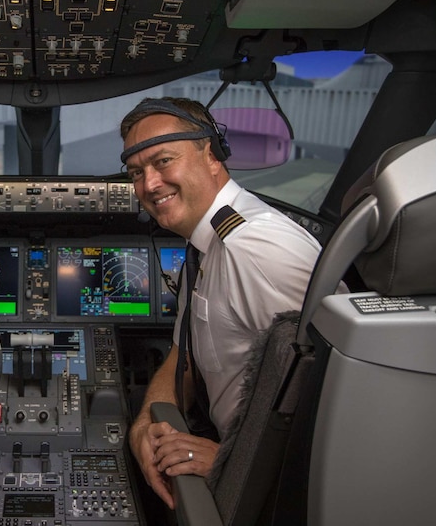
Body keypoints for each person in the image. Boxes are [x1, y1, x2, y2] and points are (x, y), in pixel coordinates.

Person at [120, 97, 322, 510]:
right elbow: (186, 356)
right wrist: (145, 425)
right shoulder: (208, 244)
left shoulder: (258, 248)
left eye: (163, 161)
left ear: (210, 154)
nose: (149, 184)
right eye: (137, 172)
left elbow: (333, 395)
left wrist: (230, 460)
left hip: (277, 488)